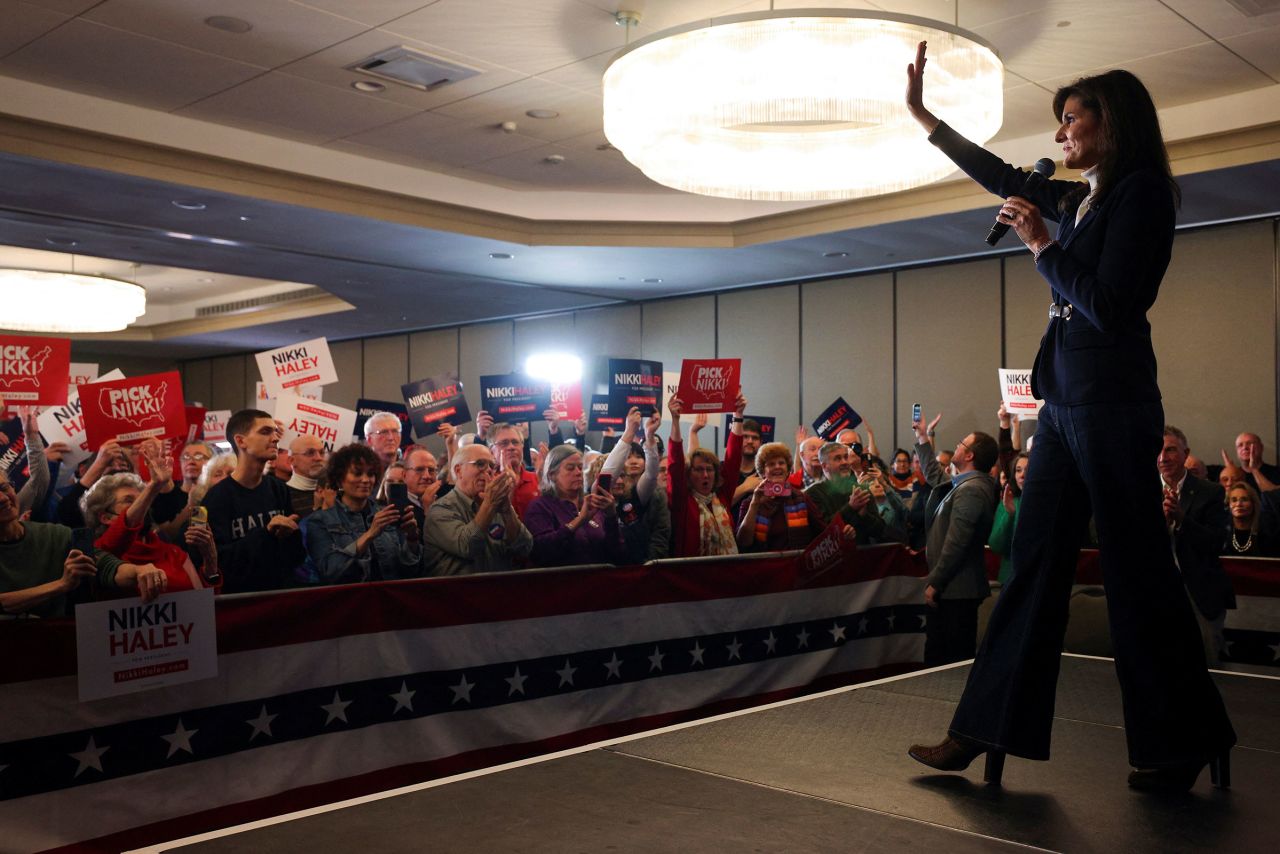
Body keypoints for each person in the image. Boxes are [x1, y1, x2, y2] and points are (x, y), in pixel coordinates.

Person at [904, 42, 1234, 791]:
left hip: (1114, 404)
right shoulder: (1079, 198)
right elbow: (1000, 176)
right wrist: (928, 118)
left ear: (1110, 123)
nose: (1059, 137)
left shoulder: (1140, 194)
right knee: (1031, 568)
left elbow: (1114, 307)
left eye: (1071, 120)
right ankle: (982, 728)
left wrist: (1043, 245)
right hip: (1063, 406)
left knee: (1135, 574)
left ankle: (1185, 739)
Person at [0, 470, 158, 616]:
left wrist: (139, 571)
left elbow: (105, 565)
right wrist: (62, 584)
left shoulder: (55, 534)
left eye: (4, 488)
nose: (3, 498)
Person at [913, 416, 1000, 666]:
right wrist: (922, 437)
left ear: (970, 455)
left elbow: (957, 542)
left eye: (962, 443)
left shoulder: (971, 490)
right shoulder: (963, 485)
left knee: (950, 661)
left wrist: (935, 582)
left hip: (956, 590)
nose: (957, 445)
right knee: (941, 658)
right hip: (952, 589)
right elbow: (935, 477)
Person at [82, 440, 219, 595]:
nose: (143, 505)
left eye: (141, 498)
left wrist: (211, 563)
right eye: (129, 500)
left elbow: (205, 604)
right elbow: (124, 528)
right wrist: (154, 486)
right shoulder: (101, 552)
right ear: (105, 517)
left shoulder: (173, 553)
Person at [201, 409, 305, 593]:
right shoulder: (216, 498)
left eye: (275, 432)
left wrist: (292, 536)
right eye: (265, 432)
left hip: (280, 595)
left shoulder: (278, 489)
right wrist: (266, 532)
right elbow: (218, 562)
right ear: (240, 441)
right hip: (241, 602)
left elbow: (295, 557)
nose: (275, 438)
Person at [1160, 426, 1235, 665]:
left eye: (1171, 450)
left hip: (1199, 593)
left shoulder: (1210, 492)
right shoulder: (1141, 491)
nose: (1163, 457)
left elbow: (1216, 542)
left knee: (1207, 663)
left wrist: (1183, 520)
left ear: (1186, 452)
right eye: (1158, 451)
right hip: (1155, 592)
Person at [303, 443, 422, 585]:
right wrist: (370, 534)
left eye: (371, 474)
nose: (366, 480)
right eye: (357, 473)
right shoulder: (320, 521)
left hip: (391, 600)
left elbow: (409, 571)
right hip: (351, 602)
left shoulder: (387, 514)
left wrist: (412, 539)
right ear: (339, 478)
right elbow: (331, 571)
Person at [422, 443, 532, 575]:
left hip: (499, 590)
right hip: (457, 592)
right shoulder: (440, 510)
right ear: (458, 471)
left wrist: (507, 510)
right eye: (480, 464)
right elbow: (467, 546)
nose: (489, 470)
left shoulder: (497, 505)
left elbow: (525, 548)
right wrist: (490, 504)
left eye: (492, 465)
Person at [667, 392, 747, 558]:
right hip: (694, 575)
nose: (705, 474)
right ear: (689, 474)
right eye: (699, 469)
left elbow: (733, 459)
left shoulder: (722, 496)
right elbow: (675, 465)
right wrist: (675, 421)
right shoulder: (683, 501)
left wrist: (738, 416)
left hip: (727, 571)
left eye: (709, 469)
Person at [524, 444, 625, 567]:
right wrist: (579, 520)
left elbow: (617, 552)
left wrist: (611, 516)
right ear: (552, 475)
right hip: (562, 581)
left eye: (580, 467)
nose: (578, 473)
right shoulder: (541, 506)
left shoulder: (591, 502)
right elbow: (541, 551)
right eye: (570, 468)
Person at [735, 442, 825, 552]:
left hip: (795, 565)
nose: (777, 467)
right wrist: (755, 504)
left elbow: (822, 531)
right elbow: (743, 542)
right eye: (771, 464)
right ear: (763, 472)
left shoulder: (801, 498)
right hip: (762, 566)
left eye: (781, 463)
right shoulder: (750, 502)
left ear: (788, 470)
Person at [803, 443, 886, 545]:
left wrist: (865, 516)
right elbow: (822, 529)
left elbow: (880, 532)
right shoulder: (813, 494)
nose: (844, 462)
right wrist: (851, 507)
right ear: (825, 466)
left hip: (862, 556)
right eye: (838, 459)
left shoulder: (862, 490)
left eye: (846, 457)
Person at [988, 452, 1029, 585]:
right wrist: (1010, 515)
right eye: (1018, 470)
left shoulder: (1050, 502)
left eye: (1028, 470)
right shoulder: (1009, 502)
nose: (1022, 475)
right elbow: (996, 545)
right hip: (1011, 576)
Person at [1222, 482, 1280, 558]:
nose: (1239, 504)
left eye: (1244, 499)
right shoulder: (1222, 532)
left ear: (1254, 504)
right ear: (1228, 505)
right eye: (1234, 500)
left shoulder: (1267, 531)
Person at [285, 435, 327, 519]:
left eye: (322, 452)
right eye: (310, 453)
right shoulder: (282, 495)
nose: (319, 458)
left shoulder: (332, 492)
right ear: (292, 460)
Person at [402, 446, 444, 530]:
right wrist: (429, 511)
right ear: (404, 475)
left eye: (431, 470)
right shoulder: (400, 509)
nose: (427, 476)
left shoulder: (445, 502)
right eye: (419, 470)